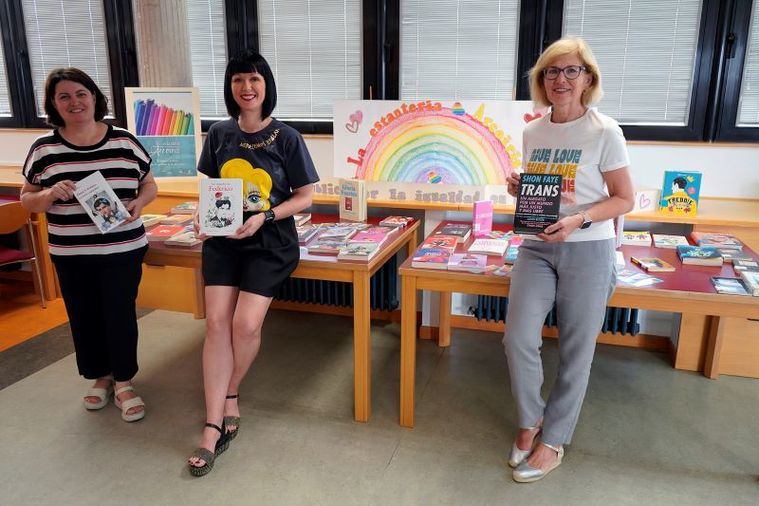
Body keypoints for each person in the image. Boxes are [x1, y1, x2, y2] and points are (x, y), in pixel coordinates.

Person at [503, 37, 634, 482]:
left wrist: (578, 219)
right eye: (551, 72)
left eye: (571, 71)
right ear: (541, 80)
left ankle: (554, 440)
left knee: (577, 350)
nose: (560, 79)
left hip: (590, 248)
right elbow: (550, 192)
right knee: (518, 337)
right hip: (538, 246)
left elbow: (624, 199)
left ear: (588, 79)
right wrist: (523, 191)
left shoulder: (604, 131)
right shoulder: (533, 131)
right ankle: (529, 421)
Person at [187, 50, 319, 477]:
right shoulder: (220, 134)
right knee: (215, 323)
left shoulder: (287, 137)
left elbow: (305, 197)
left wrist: (264, 215)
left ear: (266, 86)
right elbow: (212, 185)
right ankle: (211, 427)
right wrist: (202, 215)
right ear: (230, 88)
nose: (247, 87)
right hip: (224, 240)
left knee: (245, 325)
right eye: (239, 80)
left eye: (255, 79)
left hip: (271, 239)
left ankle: (229, 392)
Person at [20, 68, 157, 422]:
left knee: (119, 314)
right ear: (53, 104)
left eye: (81, 93)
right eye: (63, 96)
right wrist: (50, 193)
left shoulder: (124, 141)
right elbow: (27, 199)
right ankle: (101, 376)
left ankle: (124, 381)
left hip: (122, 250)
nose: (74, 102)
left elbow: (149, 185)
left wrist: (139, 204)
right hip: (71, 253)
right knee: (84, 318)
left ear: (95, 97)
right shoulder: (44, 149)